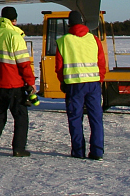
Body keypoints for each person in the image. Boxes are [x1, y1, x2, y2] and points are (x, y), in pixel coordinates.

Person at [0, 6, 35, 157]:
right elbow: (24, 64)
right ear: (14, 20)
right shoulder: (15, 36)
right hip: (14, 84)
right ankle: (19, 148)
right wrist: (30, 82)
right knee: (21, 116)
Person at [55, 10, 107, 160]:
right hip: (93, 84)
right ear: (83, 22)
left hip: (74, 85)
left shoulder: (63, 41)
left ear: (69, 24)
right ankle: (97, 151)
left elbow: (59, 67)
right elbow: (101, 62)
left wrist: (63, 82)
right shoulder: (94, 39)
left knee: (75, 119)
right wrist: (99, 79)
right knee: (96, 118)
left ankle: (78, 151)